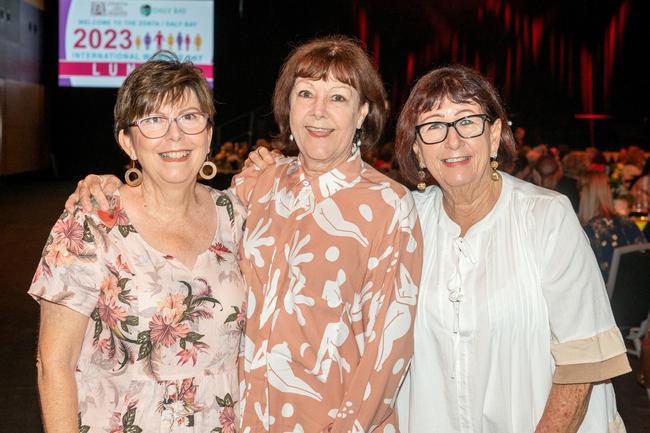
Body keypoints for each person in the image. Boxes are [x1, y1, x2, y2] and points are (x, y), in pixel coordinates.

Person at [67, 36, 422, 433]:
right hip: (241, 419)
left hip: (331, 422)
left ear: (363, 113)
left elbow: (388, 350)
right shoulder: (259, 183)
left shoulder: (388, 206)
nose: (319, 111)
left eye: (338, 98)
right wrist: (109, 184)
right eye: (305, 94)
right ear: (288, 106)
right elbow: (190, 227)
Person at [393, 65, 630, 433]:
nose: (452, 141)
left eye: (467, 121)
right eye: (434, 126)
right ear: (418, 151)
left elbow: (582, 358)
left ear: (494, 136)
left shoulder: (545, 216)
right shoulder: (405, 222)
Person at [31, 54, 246, 432]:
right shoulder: (91, 221)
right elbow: (54, 363)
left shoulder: (237, 217)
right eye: (153, 121)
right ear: (127, 142)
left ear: (209, 135)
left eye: (189, 117)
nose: (174, 135)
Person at [579, 170, 646, 283]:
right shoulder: (629, 224)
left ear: (584, 195)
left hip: (606, 298)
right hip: (639, 295)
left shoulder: (587, 233)